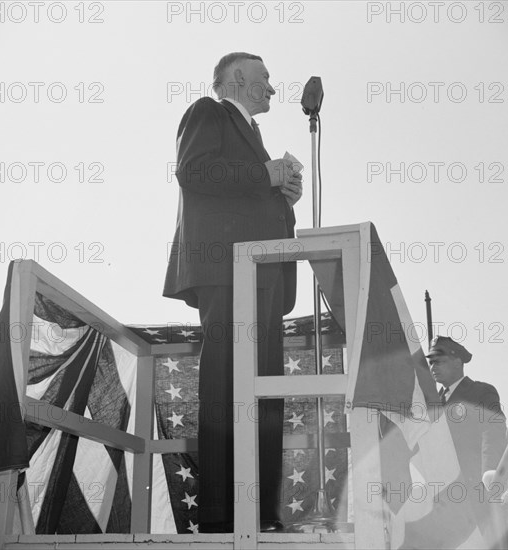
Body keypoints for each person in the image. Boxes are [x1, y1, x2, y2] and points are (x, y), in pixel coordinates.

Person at [163, 52, 303, 533]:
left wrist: (284, 199)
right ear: (239, 79)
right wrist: (265, 176)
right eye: (264, 77)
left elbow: (248, 197)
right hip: (227, 272)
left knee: (264, 393)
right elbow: (193, 173)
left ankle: (262, 512)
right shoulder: (208, 112)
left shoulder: (256, 137)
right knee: (227, 387)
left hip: (263, 276)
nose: (271, 85)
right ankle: (223, 516)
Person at [426, 336, 507, 545]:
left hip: (472, 494)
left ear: (458, 362)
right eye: (431, 362)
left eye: (439, 361)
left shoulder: (480, 392)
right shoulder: (433, 403)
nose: (433, 366)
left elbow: (493, 432)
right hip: (440, 500)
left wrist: (488, 477)